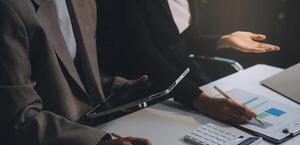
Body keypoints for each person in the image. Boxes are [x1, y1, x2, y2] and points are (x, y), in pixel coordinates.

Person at [0, 0, 162, 145]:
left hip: (96, 135)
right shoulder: (10, 8)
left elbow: (73, 72)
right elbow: (19, 118)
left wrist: (115, 86)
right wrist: (96, 144)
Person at [103, 0, 280, 124]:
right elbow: (143, 55)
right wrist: (202, 101)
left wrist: (225, 40)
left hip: (187, 81)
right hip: (148, 90)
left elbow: (180, 41)